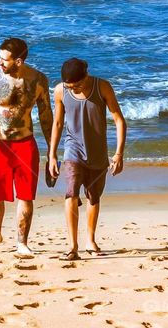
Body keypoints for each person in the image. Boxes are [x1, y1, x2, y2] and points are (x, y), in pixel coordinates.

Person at [0, 37, 53, 257]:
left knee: (26, 196)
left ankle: (22, 242)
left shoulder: (38, 80)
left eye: (4, 59)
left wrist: (52, 152)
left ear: (18, 61)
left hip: (25, 144)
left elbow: (46, 117)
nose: (0, 62)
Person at [47, 57, 127, 260]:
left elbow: (119, 119)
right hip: (72, 149)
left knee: (93, 197)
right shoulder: (60, 90)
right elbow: (57, 124)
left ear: (86, 75)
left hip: (98, 152)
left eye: (77, 85)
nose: (73, 89)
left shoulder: (102, 87)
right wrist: (52, 155)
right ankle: (72, 246)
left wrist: (119, 153)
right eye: (70, 86)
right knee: (71, 193)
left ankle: (90, 240)